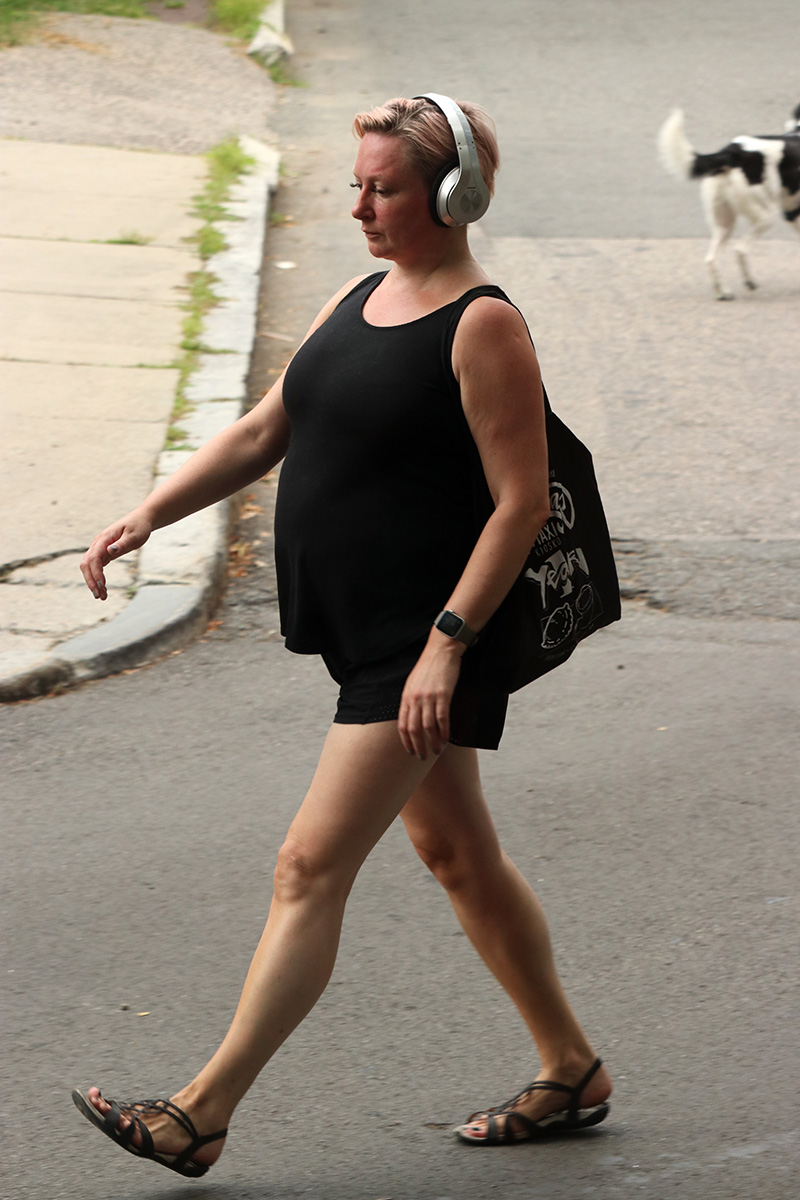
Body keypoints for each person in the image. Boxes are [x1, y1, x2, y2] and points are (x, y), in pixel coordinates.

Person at [72, 94, 612, 1177]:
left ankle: (200, 1113)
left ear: (453, 197)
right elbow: (264, 429)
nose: (358, 207)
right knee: (456, 853)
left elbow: (519, 503)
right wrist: (151, 513)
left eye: (383, 189)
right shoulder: (357, 295)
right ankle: (571, 1067)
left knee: (307, 866)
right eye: (355, 185)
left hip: (422, 643)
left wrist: (446, 646)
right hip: (366, 631)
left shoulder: (483, 325)